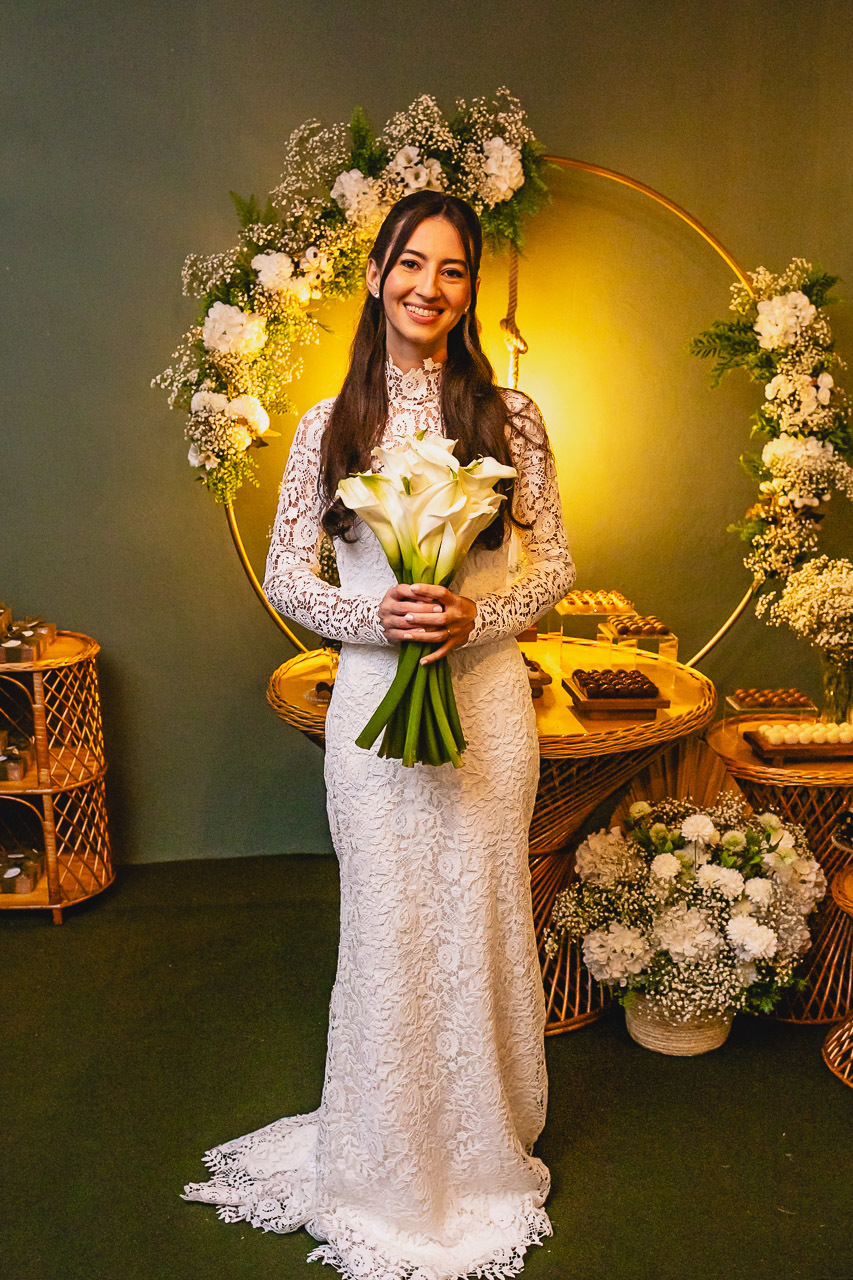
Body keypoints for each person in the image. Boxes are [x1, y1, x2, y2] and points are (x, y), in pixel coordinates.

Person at [182, 190, 576, 1279]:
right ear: (374, 275)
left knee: (479, 916)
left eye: (452, 269)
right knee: (389, 923)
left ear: (471, 289)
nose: (427, 287)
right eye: (409, 262)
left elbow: (554, 565)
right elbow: (285, 577)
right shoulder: (329, 425)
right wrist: (379, 617)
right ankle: (383, 1150)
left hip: (486, 707)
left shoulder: (514, 419)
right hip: (372, 712)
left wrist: (473, 617)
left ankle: (483, 1147)